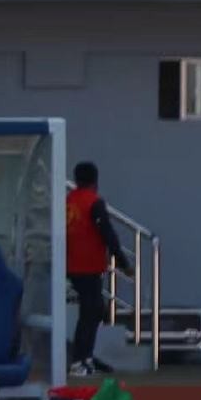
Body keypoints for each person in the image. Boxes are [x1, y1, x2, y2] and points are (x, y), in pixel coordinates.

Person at [66, 161, 131, 376]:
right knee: (90, 312)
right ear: (95, 180)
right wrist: (123, 262)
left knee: (93, 310)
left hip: (70, 264)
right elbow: (108, 234)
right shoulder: (94, 203)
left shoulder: (69, 201)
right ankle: (79, 360)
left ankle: (85, 356)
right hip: (88, 266)